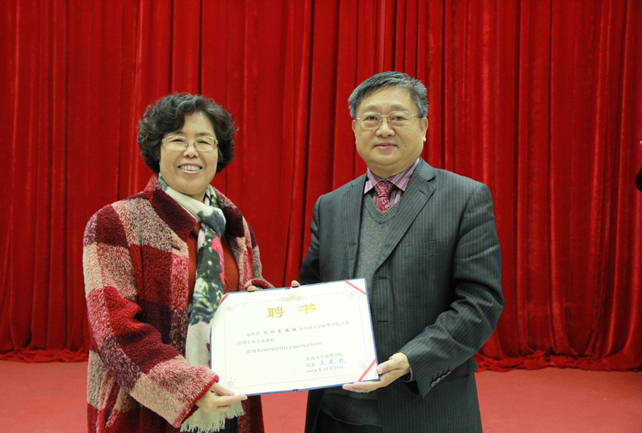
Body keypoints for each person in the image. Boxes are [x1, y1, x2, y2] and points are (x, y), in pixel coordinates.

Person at [298, 72, 504, 433]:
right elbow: (315, 290)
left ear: (423, 126)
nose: (384, 129)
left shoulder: (464, 199)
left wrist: (413, 359)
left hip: (424, 410)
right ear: (355, 129)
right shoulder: (330, 206)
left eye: (397, 117)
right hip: (335, 413)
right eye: (371, 118)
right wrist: (288, 306)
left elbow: (480, 303)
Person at [83, 93, 272, 433]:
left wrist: (274, 305)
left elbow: (245, 298)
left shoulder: (234, 225)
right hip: (145, 411)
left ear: (219, 152)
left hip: (229, 406)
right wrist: (190, 390)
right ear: (156, 149)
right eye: (177, 140)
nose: (191, 151)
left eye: (204, 141)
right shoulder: (115, 223)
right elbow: (114, 332)